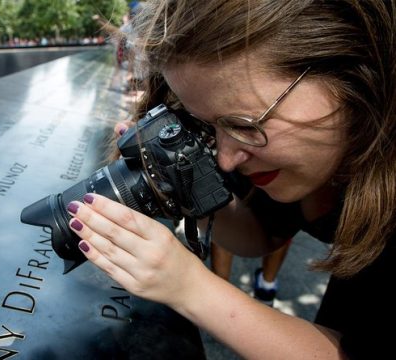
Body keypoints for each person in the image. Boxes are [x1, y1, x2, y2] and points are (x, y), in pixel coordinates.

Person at [66, 0, 396, 358]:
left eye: (242, 124)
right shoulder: (306, 149)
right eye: (209, 125)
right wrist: (184, 182)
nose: (225, 160)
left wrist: (190, 286)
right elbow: (262, 232)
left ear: (353, 73)